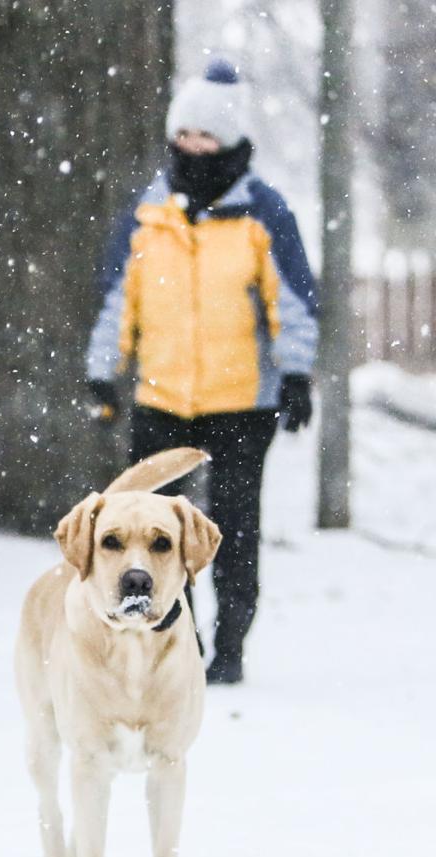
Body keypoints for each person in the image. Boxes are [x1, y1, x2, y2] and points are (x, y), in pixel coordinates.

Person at [85, 58, 319, 685]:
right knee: (151, 537)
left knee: (232, 532)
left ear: (233, 140)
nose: (193, 146)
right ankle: (176, 646)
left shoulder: (262, 214)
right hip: (162, 400)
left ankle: (232, 646)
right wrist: (104, 371)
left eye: (206, 136)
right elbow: (117, 300)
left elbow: (292, 301)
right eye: (184, 134)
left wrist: (296, 374)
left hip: (242, 402)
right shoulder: (147, 214)